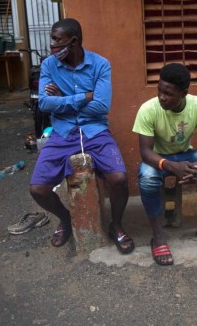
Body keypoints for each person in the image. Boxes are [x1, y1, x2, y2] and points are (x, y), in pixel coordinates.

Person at [29, 18, 134, 254]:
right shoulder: (49, 65)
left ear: (73, 41)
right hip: (62, 132)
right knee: (38, 189)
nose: (52, 45)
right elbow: (44, 104)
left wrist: (62, 99)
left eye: (57, 40)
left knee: (118, 179)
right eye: (52, 39)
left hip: (95, 130)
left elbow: (101, 106)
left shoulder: (100, 65)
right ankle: (67, 219)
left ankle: (116, 225)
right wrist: (82, 96)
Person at [133, 63, 197, 266]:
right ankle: (158, 235)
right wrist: (173, 167)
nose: (162, 97)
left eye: (168, 93)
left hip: (187, 155)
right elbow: (146, 152)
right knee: (147, 178)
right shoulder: (148, 109)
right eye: (159, 90)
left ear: (183, 93)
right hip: (159, 158)